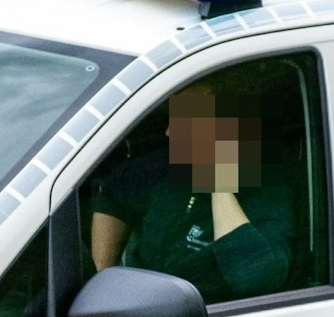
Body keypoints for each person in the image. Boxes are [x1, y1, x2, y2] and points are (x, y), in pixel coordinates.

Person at [88, 71, 298, 304]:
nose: (169, 132)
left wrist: (219, 182)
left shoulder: (266, 192)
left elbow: (255, 278)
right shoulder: (163, 168)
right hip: (141, 309)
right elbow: (114, 193)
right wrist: (104, 281)